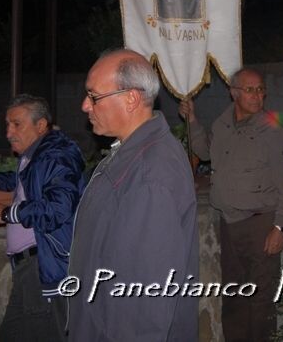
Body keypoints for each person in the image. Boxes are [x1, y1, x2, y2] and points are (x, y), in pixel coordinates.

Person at [69, 49, 198, 341]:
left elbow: (143, 299)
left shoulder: (151, 175)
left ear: (131, 98)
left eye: (94, 96)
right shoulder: (132, 153)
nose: (85, 106)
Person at [180, 68, 283, 342]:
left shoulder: (272, 130)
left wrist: (280, 226)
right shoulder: (223, 124)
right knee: (234, 295)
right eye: (250, 89)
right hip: (229, 224)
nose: (258, 95)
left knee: (260, 300)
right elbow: (206, 152)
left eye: (260, 90)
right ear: (233, 92)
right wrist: (193, 120)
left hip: (260, 224)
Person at [0, 94, 85, 342]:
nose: (9, 132)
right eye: (7, 125)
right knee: (11, 334)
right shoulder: (38, 155)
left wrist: (6, 213)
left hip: (43, 267)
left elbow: (58, 207)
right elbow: (25, 178)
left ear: (40, 126)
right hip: (30, 268)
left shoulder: (55, 155)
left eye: (16, 124)